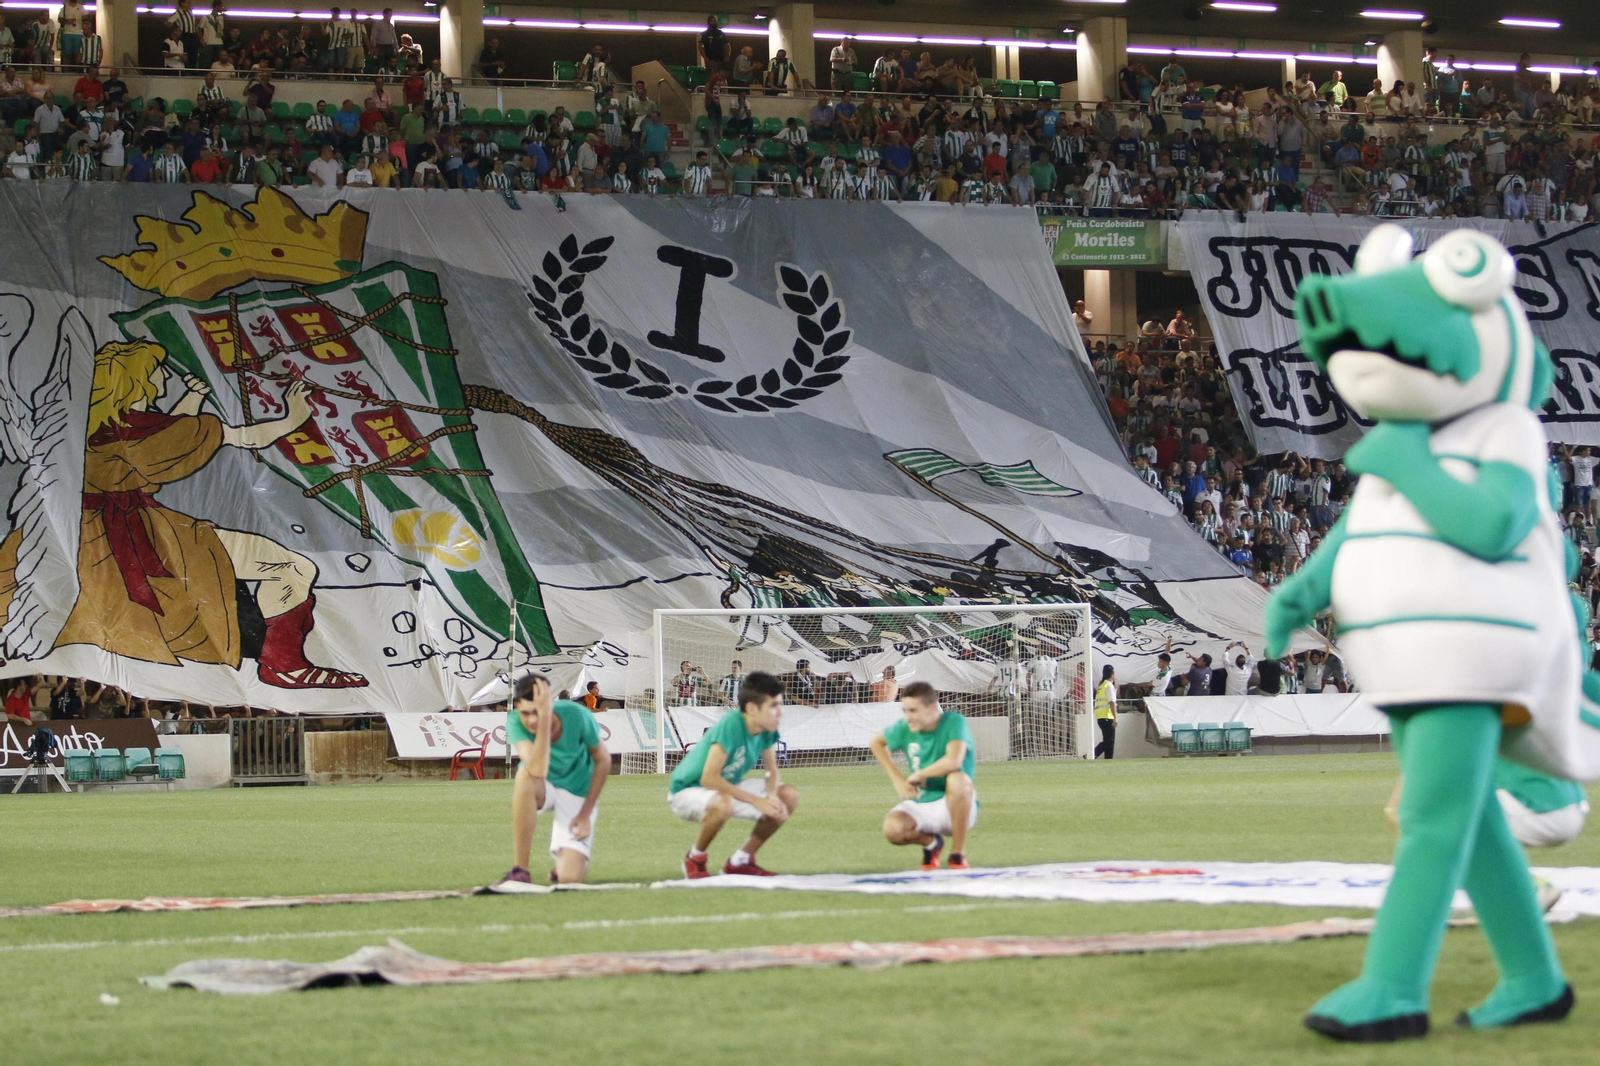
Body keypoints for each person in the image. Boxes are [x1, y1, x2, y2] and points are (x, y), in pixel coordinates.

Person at [668, 671, 797, 878]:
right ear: (752, 709)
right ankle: (695, 858)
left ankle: (741, 861)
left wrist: (771, 796)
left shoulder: (767, 727)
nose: (779, 712)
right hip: (687, 790)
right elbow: (709, 778)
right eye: (773, 706)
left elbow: (772, 771)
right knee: (723, 802)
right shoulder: (731, 724)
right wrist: (757, 801)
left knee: (787, 796)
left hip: (724, 787)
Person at [491, 673, 610, 890]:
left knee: (570, 880)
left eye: (538, 711)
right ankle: (520, 870)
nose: (532, 720)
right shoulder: (515, 721)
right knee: (524, 775)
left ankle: (564, 863)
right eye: (526, 713)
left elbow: (603, 760)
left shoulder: (576, 714)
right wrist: (544, 719)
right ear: (517, 707)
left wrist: (585, 814)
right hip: (541, 785)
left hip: (577, 791)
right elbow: (537, 769)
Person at [869, 680, 977, 870]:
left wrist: (917, 775)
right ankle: (932, 844)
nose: (908, 717)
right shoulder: (905, 728)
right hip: (925, 801)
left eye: (913, 711)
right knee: (893, 829)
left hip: (957, 804)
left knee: (957, 779)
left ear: (932, 708)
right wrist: (898, 780)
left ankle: (957, 855)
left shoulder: (953, 722)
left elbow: (953, 761)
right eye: (905, 711)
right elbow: (876, 742)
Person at [1093, 665, 1117, 759]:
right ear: (1112, 675)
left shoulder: (1101, 686)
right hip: (1107, 716)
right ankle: (1092, 754)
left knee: (1107, 740)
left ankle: (1108, 760)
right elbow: (1112, 702)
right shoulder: (1109, 686)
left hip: (1100, 716)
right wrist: (1115, 717)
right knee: (1109, 741)